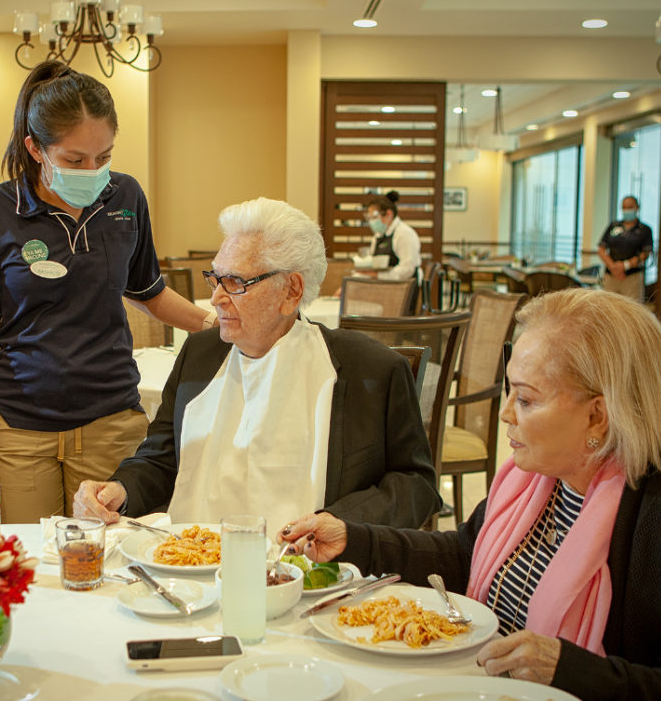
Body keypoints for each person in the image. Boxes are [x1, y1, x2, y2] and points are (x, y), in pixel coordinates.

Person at [279, 288, 661, 701]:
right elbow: (466, 554)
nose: (505, 415)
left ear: (598, 416)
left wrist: (578, 672)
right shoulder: (541, 480)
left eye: (526, 399)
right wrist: (356, 539)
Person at [73, 197, 438, 530]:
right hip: (192, 560)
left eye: (235, 282)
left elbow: (415, 485)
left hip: (309, 567)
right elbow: (160, 459)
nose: (216, 298)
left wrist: (340, 524)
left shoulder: (368, 369)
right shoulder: (199, 355)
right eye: (215, 278)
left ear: (291, 291)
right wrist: (120, 489)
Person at [0, 61, 211, 523]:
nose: (92, 171)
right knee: (26, 555)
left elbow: (149, 292)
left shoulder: (125, 197)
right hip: (20, 426)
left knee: (113, 551)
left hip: (110, 420)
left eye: (103, 157)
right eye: (74, 160)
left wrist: (218, 324)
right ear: (35, 148)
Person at [597, 196, 652, 301]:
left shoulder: (644, 230)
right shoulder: (613, 226)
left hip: (632, 277)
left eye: (630, 207)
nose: (627, 210)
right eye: (624, 207)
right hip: (611, 276)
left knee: (632, 307)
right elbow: (601, 249)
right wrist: (613, 267)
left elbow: (646, 253)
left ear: (637, 207)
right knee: (608, 306)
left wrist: (625, 266)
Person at [359, 191, 420, 282]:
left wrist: (379, 275)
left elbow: (407, 269)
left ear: (389, 214)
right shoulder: (378, 235)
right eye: (369, 218)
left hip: (403, 286)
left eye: (374, 217)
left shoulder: (404, 234)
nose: (371, 222)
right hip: (383, 284)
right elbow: (372, 262)